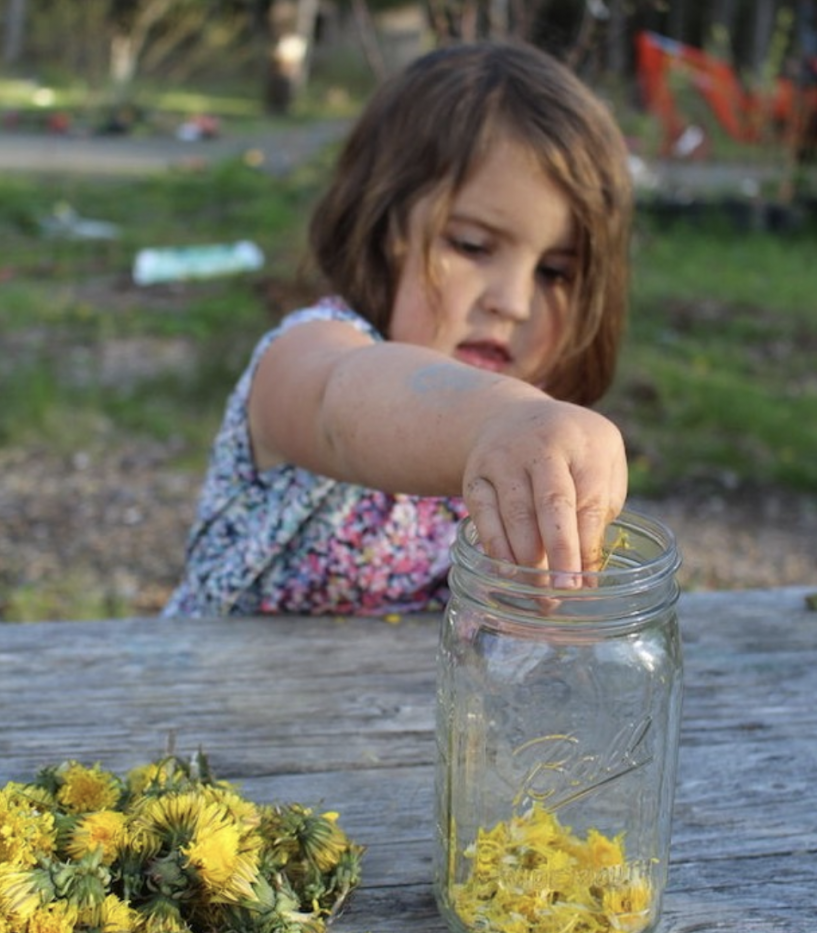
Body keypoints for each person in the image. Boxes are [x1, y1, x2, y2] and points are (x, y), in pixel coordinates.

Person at [163, 39, 633, 618]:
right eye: (472, 245)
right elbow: (342, 402)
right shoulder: (310, 352)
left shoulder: (519, 449)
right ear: (383, 229)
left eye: (555, 272)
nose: (512, 302)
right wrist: (502, 417)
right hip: (206, 700)